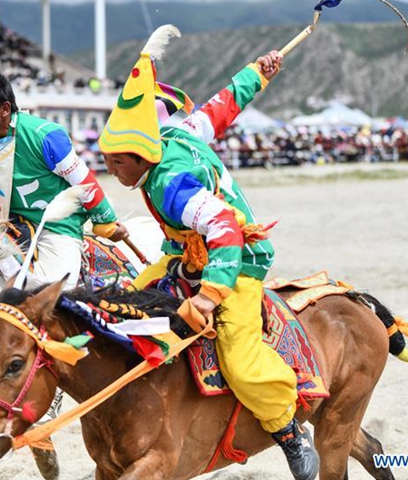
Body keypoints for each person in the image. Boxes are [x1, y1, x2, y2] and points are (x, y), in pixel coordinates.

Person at [98, 28, 319, 480]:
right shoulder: (179, 132)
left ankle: (289, 431)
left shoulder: (171, 184)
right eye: (108, 159)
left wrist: (208, 296)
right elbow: (222, 105)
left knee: (239, 358)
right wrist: (258, 72)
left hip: (238, 259)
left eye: (119, 161)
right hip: (184, 250)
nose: (111, 170)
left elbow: (224, 231)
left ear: (145, 153)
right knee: (120, 299)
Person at [0, 70, 128, 286]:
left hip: (57, 224)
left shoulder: (45, 135)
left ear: (5, 108)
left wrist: (107, 222)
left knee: (55, 291)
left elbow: (84, 182)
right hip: (10, 221)